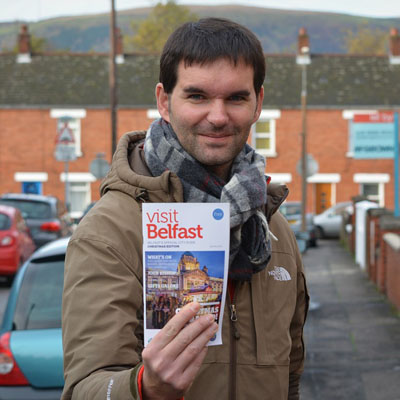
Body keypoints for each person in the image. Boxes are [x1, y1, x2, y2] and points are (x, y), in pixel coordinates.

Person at [62, 17, 309, 400]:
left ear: (258, 103)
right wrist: (145, 387)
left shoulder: (273, 229)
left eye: (236, 98)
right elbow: (85, 388)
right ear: (164, 101)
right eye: (197, 96)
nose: (218, 116)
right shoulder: (109, 232)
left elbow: (289, 380)